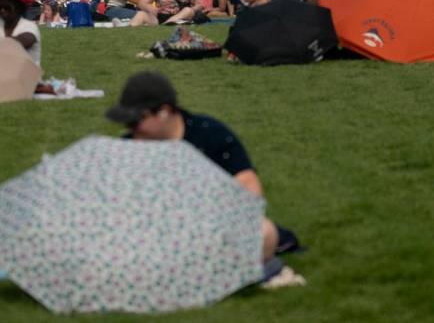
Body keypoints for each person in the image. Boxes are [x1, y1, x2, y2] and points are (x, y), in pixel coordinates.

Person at [105, 71, 301, 265]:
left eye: (135, 121)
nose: (131, 129)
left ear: (164, 112)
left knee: (264, 233)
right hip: (155, 233)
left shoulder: (209, 134)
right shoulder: (128, 147)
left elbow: (249, 188)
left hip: (214, 228)